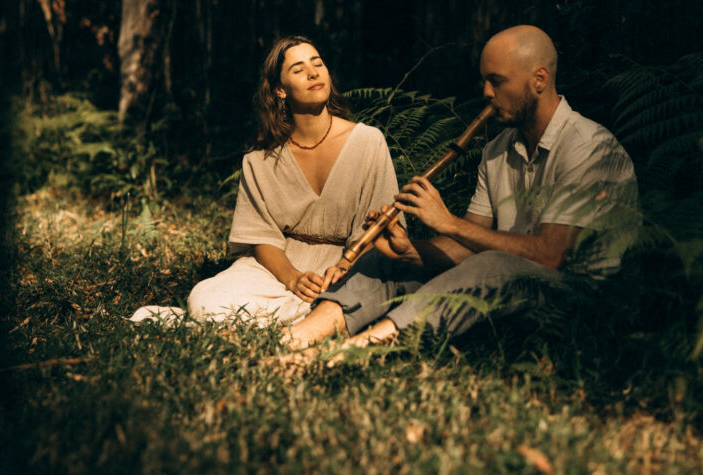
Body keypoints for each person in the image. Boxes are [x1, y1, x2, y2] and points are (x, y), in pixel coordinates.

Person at [281, 25, 638, 352]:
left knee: (493, 265)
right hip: (505, 279)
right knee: (383, 262)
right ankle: (299, 337)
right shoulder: (498, 150)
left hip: (579, 299)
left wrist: (447, 221)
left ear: (539, 79)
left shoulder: (587, 146)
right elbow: (469, 243)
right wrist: (411, 251)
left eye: (497, 81)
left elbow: (549, 255)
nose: (486, 92)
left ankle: (353, 352)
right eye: (485, 80)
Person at [131, 36, 402, 327]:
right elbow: (261, 238)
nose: (313, 73)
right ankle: (310, 318)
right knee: (203, 299)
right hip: (278, 268)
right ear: (280, 90)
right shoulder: (260, 159)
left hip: (354, 264)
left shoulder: (368, 141)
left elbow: (381, 228)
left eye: (318, 64)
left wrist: (346, 266)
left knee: (370, 290)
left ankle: (311, 317)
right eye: (298, 69)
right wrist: (293, 278)